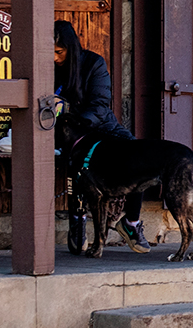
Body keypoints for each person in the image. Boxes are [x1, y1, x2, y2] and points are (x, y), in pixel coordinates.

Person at [55, 20, 147, 248]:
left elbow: (100, 104)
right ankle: (77, 219)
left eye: (59, 52)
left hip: (99, 127)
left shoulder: (93, 63)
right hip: (61, 133)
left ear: (71, 48)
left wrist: (69, 112)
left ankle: (131, 222)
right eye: (51, 52)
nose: (55, 58)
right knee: (75, 164)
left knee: (139, 159)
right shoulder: (46, 67)